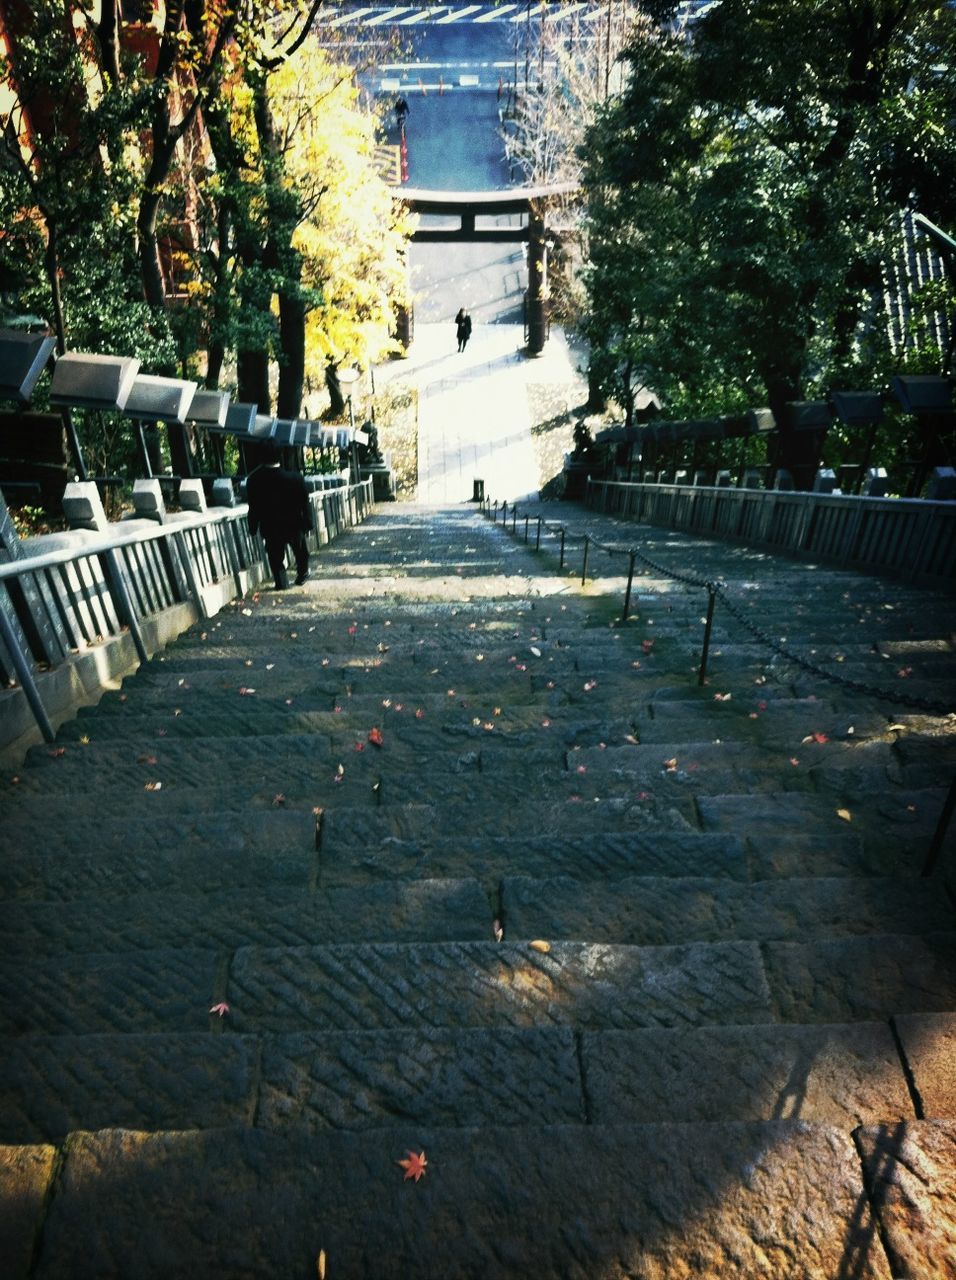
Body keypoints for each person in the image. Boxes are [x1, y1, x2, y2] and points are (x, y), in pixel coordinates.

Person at [245, 441, 312, 589]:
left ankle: (281, 582)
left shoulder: (254, 481)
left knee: (275, 556)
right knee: (301, 552)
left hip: (270, 525)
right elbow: (305, 503)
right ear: (280, 456)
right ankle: (302, 574)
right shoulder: (295, 478)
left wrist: (252, 526)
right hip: (294, 524)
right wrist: (308, 522)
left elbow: (253, 507)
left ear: (261, 457)